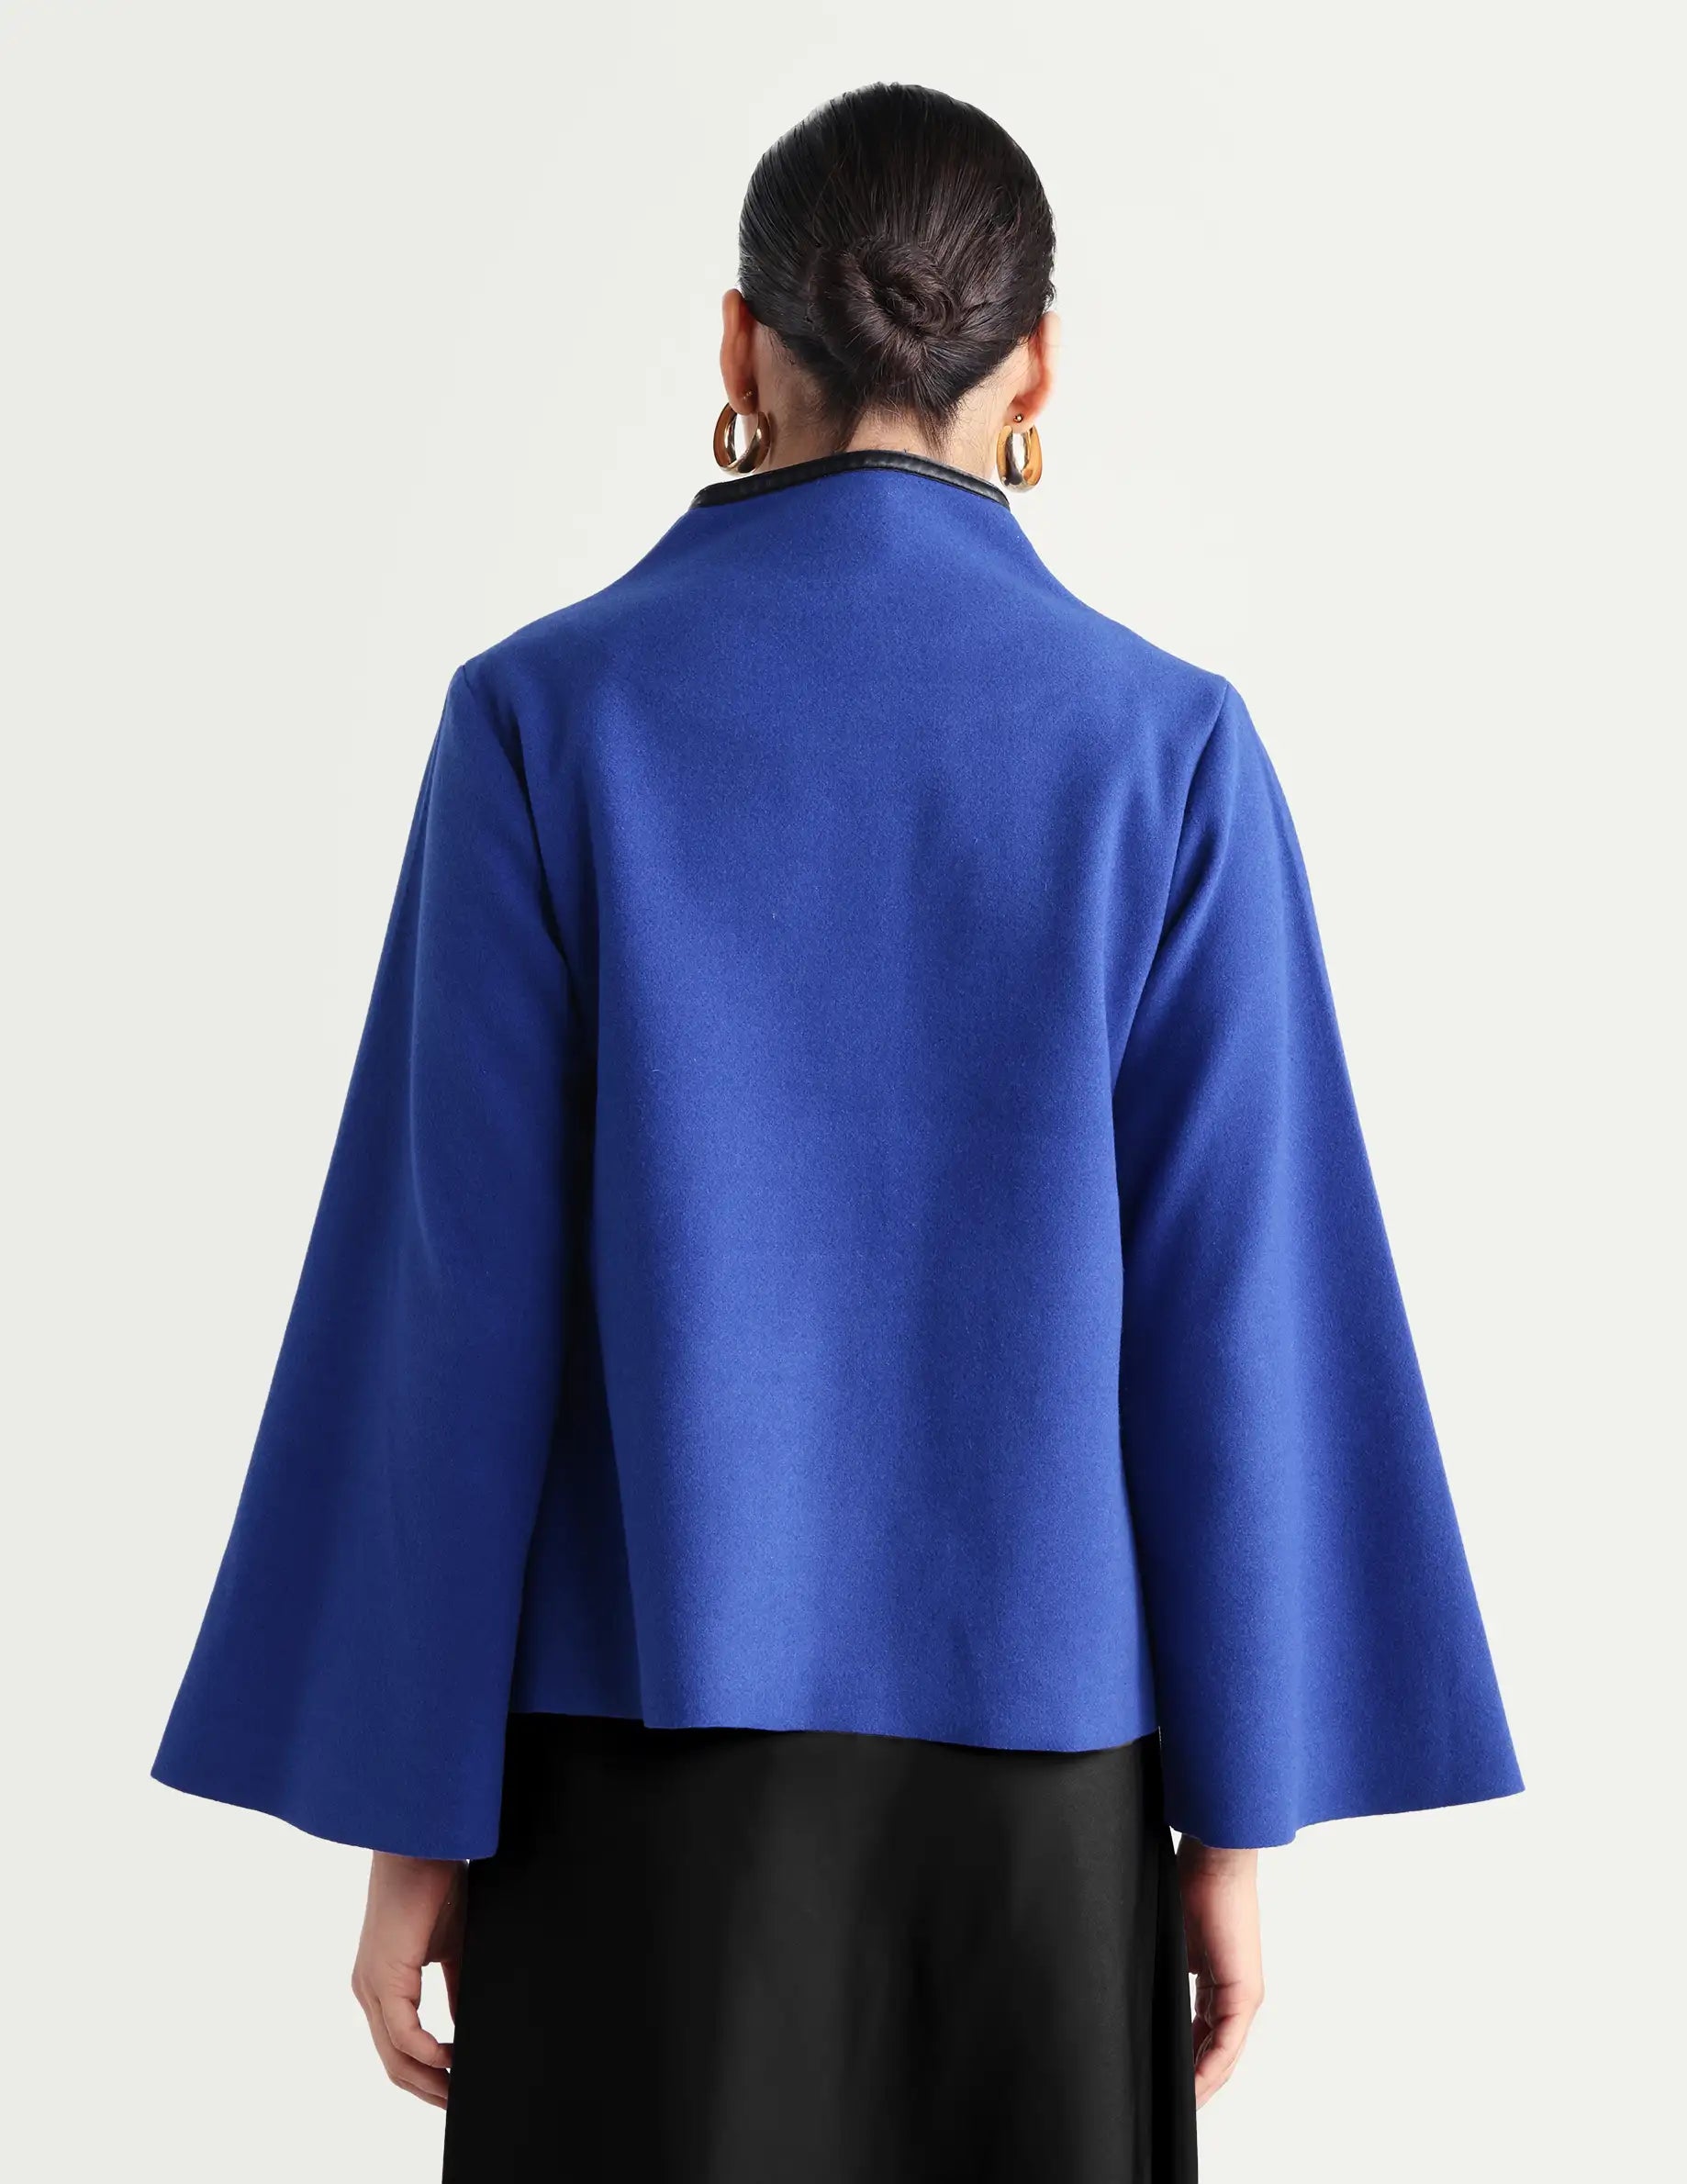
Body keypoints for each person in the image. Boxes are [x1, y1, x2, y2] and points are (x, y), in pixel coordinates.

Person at [152, 81, 1521, 2184]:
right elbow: (1235, 1308)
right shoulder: (1165, 752)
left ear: (738, 344)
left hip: (627, 1777)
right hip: (1042, 1806)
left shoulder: (544, 720)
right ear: (1035, 370)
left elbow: (455, 1312)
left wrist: (413, 1819)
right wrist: (1232, 1829)